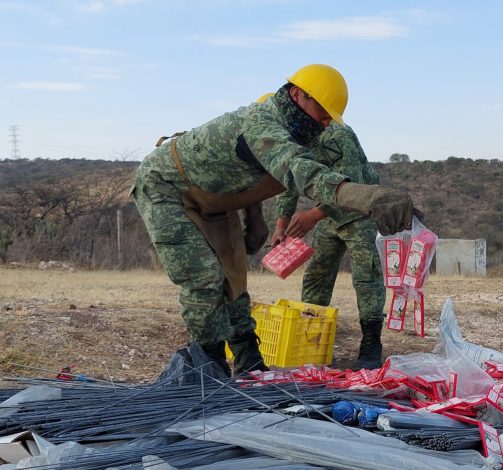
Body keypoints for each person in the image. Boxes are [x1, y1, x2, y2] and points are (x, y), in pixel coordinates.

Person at [131, 64, 413, 376]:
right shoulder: (262, 123)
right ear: (298, 95)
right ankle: (207, 366)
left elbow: (249, 177)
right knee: (204, 278)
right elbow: (296, 170)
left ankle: (249, 362)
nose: (325, 122)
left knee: (234, 280)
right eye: (322, 113)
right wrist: (367, 198)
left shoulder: (305, 133)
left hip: (216, 198)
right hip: (166, 187)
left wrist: (255, 218)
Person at [270, 123, 386, 369]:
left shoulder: (337, 134)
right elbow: (289, 182)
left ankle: (371, 345)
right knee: (316, 276)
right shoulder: (293, 140)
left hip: (360, 212)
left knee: (366, 278)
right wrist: (281, 226)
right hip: (328, 216)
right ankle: (310, 339)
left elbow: (352, 185)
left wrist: (312, 216)